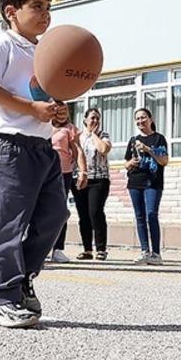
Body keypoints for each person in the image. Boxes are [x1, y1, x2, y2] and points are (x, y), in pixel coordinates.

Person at [0, 0, 69, 328]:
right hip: (10, 146)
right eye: (37, 6)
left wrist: (57, 111)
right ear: (12, 11)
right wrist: (31, 110)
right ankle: (2, 297)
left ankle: (22, 279)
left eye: (48, 7)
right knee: (10, 224)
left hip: (42, 147)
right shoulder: (3, 45)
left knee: (55, 214)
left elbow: (46, 99)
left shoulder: (44, 51)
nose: (45, 14)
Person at [125, 108, 169, 265]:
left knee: (151, 214)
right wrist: (130, 163)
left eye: (143, 117)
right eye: (137, 119)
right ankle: (144, 251)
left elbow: (164, 161)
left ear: (150, 119)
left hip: (153, 182)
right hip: (135, 181)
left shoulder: (158, 139)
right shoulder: (133, 140)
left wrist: (148, 149)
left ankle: (156, 254)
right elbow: (127, 163)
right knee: (139, 216)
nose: (140, 121)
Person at [49, 103, 87, 264]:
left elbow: (77, 150)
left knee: (59, 211)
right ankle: (36, 247)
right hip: (43, 173)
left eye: (65, 110)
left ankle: (58, 249)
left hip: (63, 174)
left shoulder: (70, 129)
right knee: (39, 210)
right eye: (59, 110)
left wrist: (83, 171)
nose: (62, 113)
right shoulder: (42, 125)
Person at [73, 107, 111, 261]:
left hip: (99, 179)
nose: (95, 121)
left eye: (97, 118)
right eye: (92, 118)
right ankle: (87, 249)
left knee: (95, 212)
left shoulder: (103, 135)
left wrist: (94, 134)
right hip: (81, 179)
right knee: (83, 215)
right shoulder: (78, 136)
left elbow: (104, 149)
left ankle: (101, 249)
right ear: (85, 120)